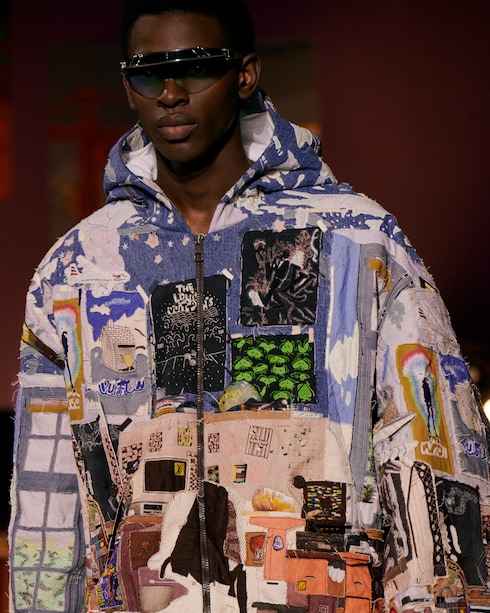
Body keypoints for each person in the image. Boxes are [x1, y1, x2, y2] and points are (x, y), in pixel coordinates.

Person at [9, 0, 490, 611]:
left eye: (195, 68)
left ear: (245, 75)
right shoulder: (76, 268)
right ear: (128, 87)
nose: (171, 94)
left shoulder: (359, 242)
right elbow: (47, 499)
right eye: (148, 75)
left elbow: (439, 465)